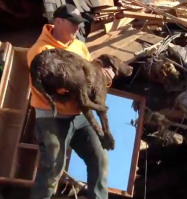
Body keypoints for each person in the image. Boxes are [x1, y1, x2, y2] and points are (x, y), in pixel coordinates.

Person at [27, 4, 108, 199]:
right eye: (73, 24)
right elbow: (64, 90)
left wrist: (105, 77)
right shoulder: (40, 52)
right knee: (53, 168)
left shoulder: (79, 46)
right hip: (52, 118)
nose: (77, 28)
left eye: (78, 24)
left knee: (99, 160)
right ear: (58, 22)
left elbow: (90, 81)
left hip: (79, 117)